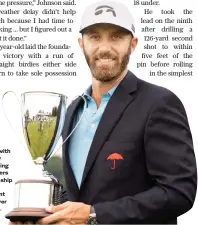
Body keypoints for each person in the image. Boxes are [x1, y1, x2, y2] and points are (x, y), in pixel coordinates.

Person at [9, 0, 197, 224]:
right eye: (95, 36)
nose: (105, 47)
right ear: (82, 44)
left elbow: (178, 192)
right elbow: (80, 197)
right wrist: (40, 217)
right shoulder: (72, 113)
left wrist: (94, 215)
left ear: (133, 43)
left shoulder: (159, 103)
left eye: (117, 37)